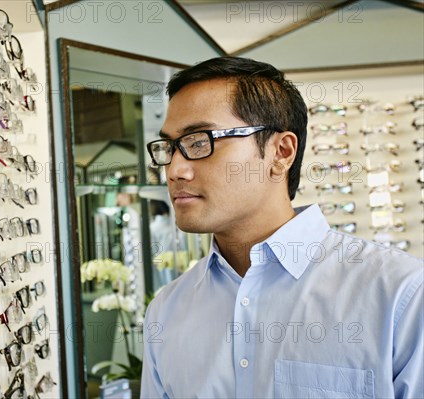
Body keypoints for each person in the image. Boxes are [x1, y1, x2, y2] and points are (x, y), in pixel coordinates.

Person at [141, 56, 423, 398]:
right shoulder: (167, 311)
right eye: (169, 148)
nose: (174, 170)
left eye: (199, 142)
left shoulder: (400, 296)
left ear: (281, 152)